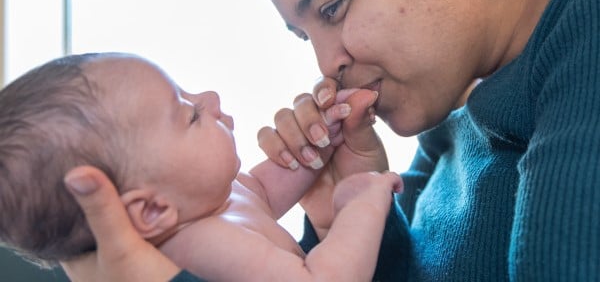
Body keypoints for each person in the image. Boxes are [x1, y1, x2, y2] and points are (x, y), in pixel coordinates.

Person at [61, 0, 600, 281]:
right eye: (304, 36)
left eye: (334, 7)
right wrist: (343, 207)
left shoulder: (590, 16)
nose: (326, 64)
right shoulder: (463, 90)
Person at [0, 52, 402, 281]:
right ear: (152, 210)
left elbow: (261, 192)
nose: (209, 98)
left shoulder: (218, 201)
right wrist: (361, 205)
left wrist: (322, 144)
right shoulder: (203, 247)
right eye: (189, 114)